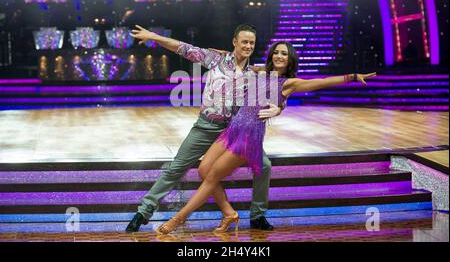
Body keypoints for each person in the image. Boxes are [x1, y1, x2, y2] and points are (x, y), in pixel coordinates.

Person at [154, 41, 376, 235]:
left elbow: (323, 81)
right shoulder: (260, 73)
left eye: (284, 54)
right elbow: (238, 61)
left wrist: (353, 77)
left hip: (248, 138)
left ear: (290, 60)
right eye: (276, 52)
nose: (279, 56)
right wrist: (221, 52)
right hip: (231, 131)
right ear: (272, 56)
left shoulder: (290, 84)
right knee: (203, 170)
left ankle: (178, 219)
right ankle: (229, 213)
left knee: (212, 176)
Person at [126, 24, 282, 232]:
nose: (248, 46)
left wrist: (277, 109)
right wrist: (154, 36)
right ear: (235, 42)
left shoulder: (255, 74)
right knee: (176, 168)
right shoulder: (215, 60)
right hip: (206, 126)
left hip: (234, 133)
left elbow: (280, 91)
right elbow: (182, 47)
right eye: (244, 41)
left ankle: (258, 215)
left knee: (265, 166)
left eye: (252, 43)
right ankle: (143, 212)